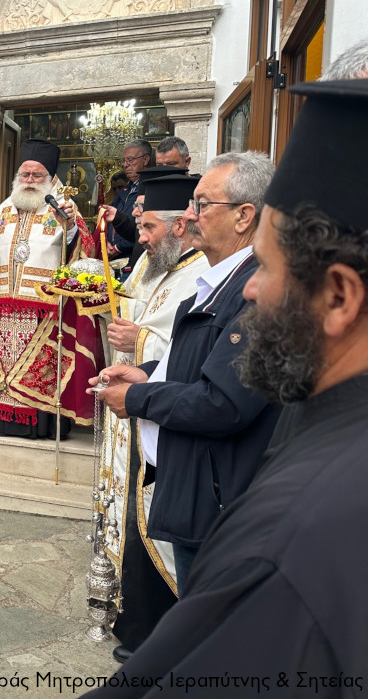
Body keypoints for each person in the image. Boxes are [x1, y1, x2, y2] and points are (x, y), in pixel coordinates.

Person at [85, 77, 368, 699]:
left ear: (341, 297)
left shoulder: (295, 532)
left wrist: (139, 395)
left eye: (265, 267)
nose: (248, 289)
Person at [91, 151, 281, 591]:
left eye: (201, 204)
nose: (189, 216)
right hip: (200, 486)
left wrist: (138, 399)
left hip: (218, 498)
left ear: (243, 216)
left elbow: (223, 402)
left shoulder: (255, 288)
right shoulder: (224, 277)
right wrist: (150, 374)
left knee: (211, 632)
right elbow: (202, 365)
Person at [99, 175, 209, 663]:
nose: (138, 236)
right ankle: (134, 618)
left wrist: (137, 341)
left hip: (162, 415)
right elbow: (137, 311)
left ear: (179, 225)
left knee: (150, 518)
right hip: (135, 405)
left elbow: (186, 351)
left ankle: (159, 636)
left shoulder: (199, 270)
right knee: (129, 516)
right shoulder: (154, 261)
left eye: (146, 227)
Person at [0, 138, 100, 439]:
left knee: (42, 366)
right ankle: (2, 422)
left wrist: (71, 227)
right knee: (4, 365)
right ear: (17, 178)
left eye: (37, 175)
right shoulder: (2, 211)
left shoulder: (62, 208)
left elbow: (85, 251)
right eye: (25, 175)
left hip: (45, 308)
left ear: (49, 179)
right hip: (2, 306)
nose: (30, 180)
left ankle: (45, 425)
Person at [106, 139, 153, 260]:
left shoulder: (149, 188)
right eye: (124, 160)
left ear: (145, 159)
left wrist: (118, 247)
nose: (125, 165)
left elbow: (144, 228)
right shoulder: (124, 191)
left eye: (130, 160)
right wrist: (106, 242)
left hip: (134, 257)